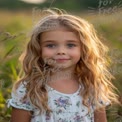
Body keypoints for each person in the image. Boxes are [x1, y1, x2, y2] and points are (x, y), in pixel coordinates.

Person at [7, 8, 119, 122]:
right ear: (38, 49)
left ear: (84, 49)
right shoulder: (29, 88)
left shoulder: (92, 86)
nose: (61, 51)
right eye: (50, 45)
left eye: (70, 45)